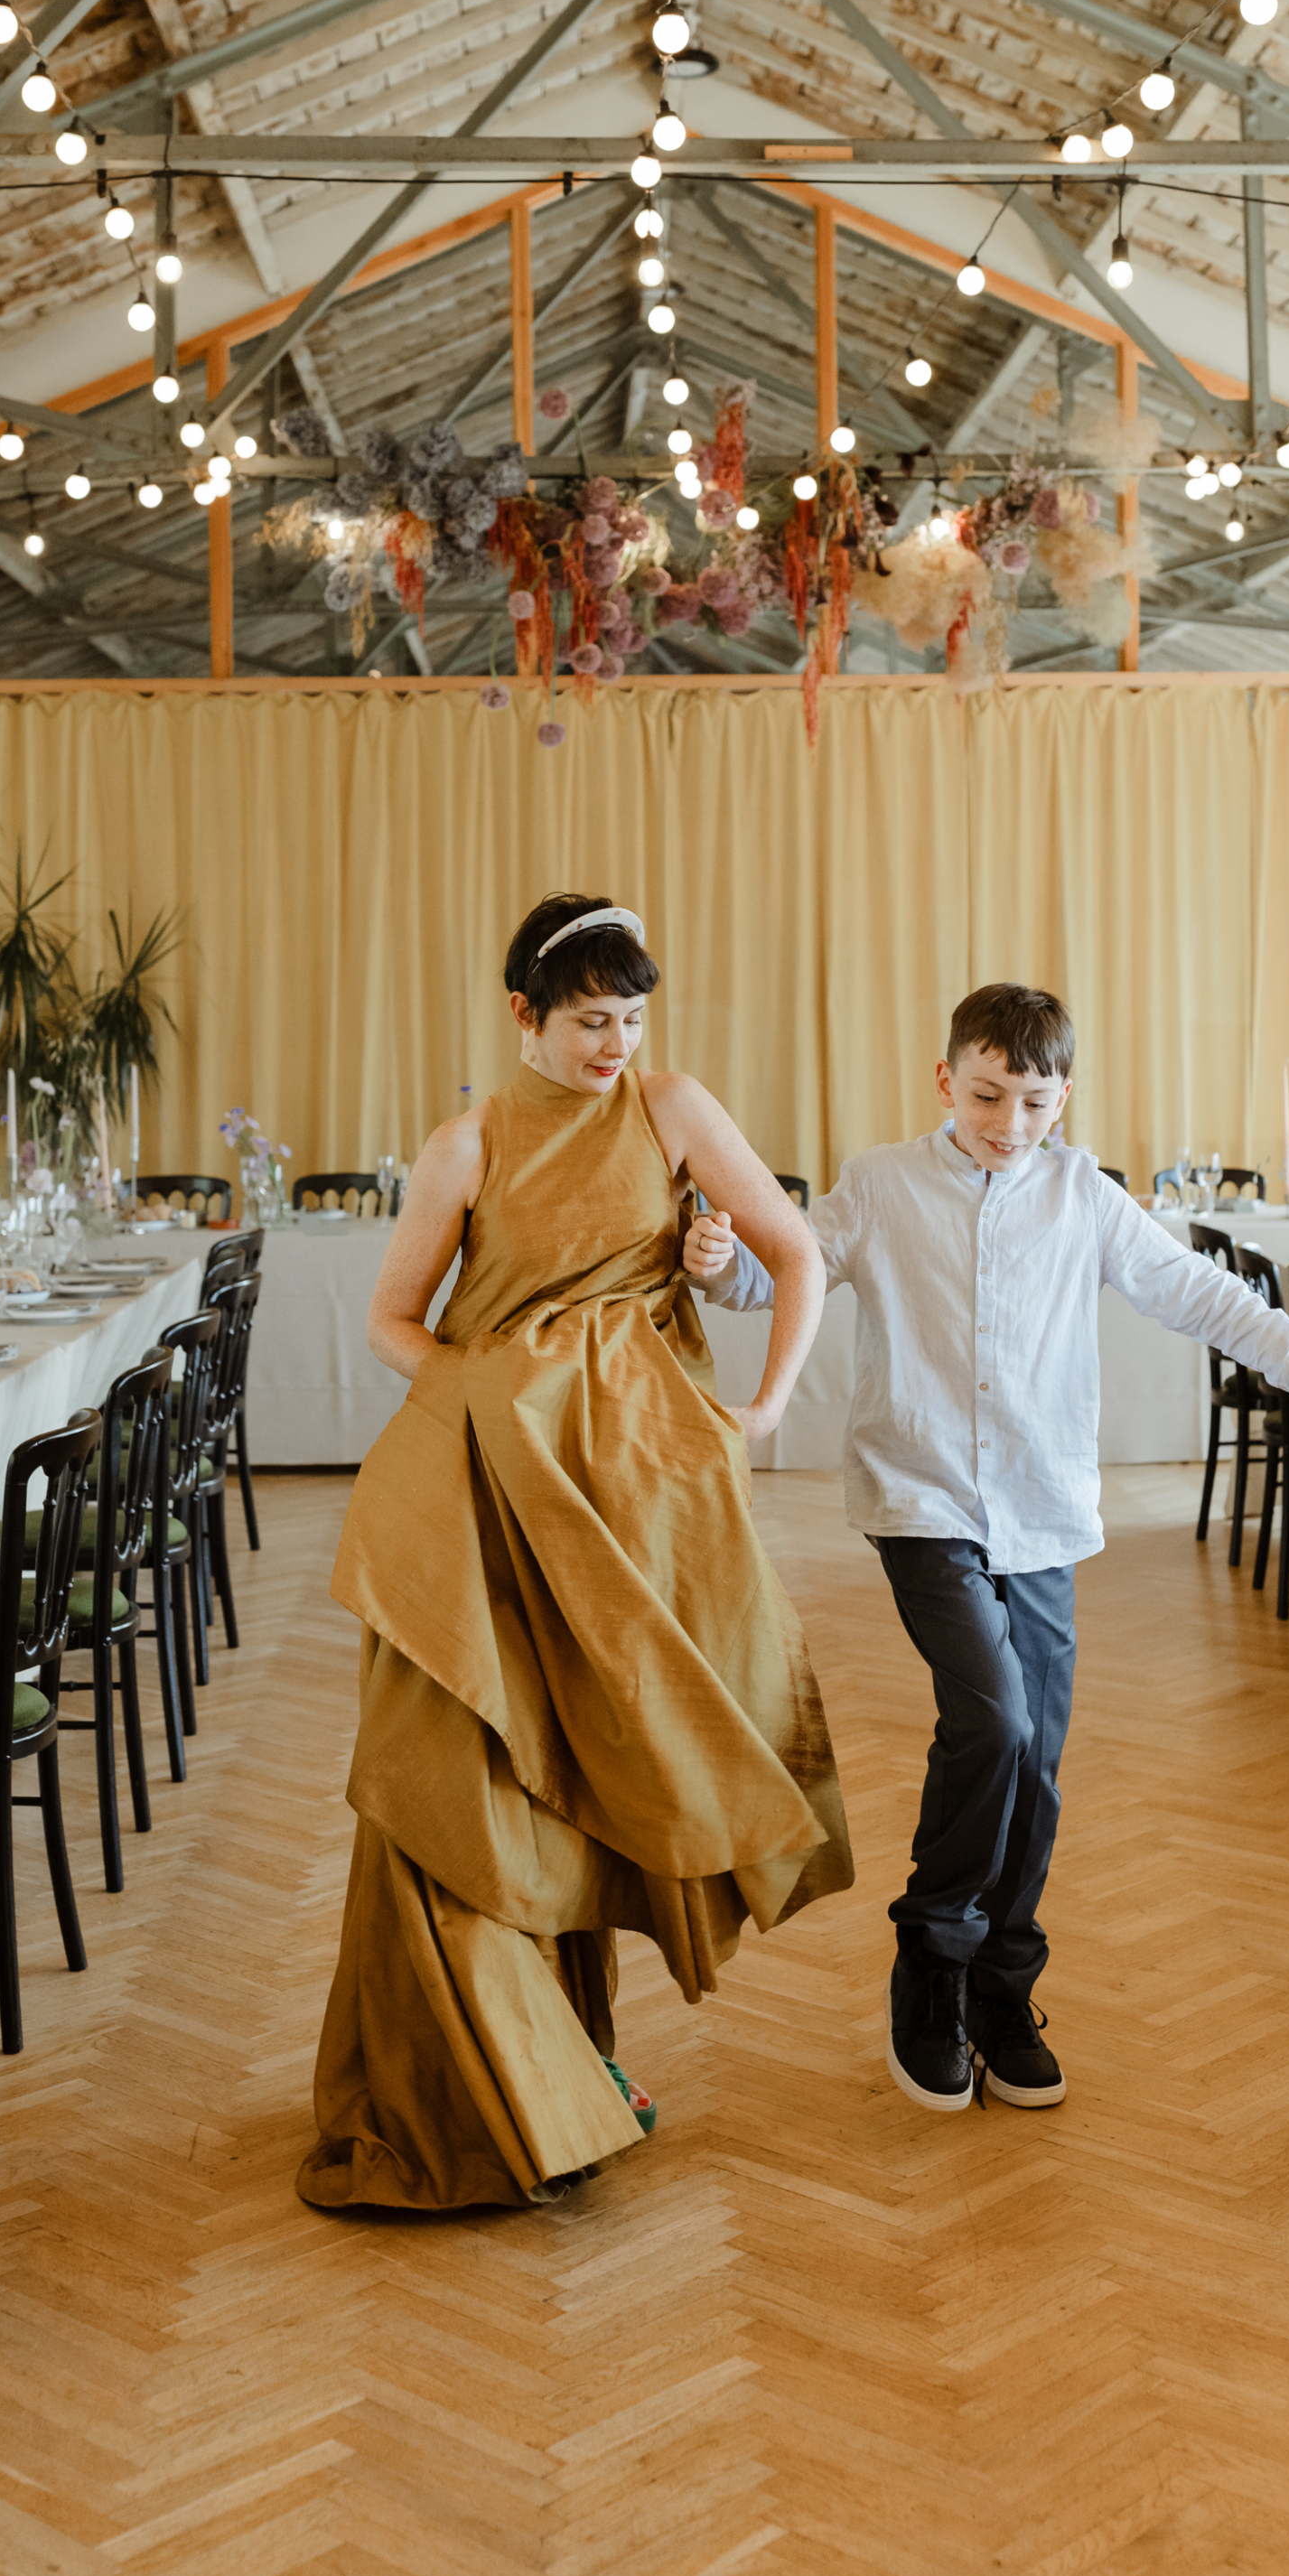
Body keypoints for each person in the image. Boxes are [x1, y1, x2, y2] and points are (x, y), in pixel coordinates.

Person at [688, 982, 1289, 2121]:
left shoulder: (1082, 1196)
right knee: (993, 1717)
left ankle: (1003, 1988)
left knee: (1036, 1761)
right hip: (923, 1504)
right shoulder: (883, 1186)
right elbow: (776, 1275)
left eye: (1035, 1102)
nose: (1010, 1121)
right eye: (990, 1093)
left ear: (1063, 1100)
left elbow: (1196, 1290)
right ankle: (930, 1962)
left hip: (1044, 1512)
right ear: (945, 1079)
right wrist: (715, 1261)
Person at [296, 892, 854, 2215]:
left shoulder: (672, 1108)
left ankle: (571, 2065)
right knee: (462, 1767)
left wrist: (764, 1408)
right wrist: (499, 1413)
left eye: (634, 1020)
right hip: (486, 1488)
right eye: (592, 1021)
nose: (616, 1044)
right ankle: (476, 2091)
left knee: (591, 1769)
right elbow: (391, 1321)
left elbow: (793, 1249)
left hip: (633, 1502)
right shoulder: (466, 1143)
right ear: (523, 1017)